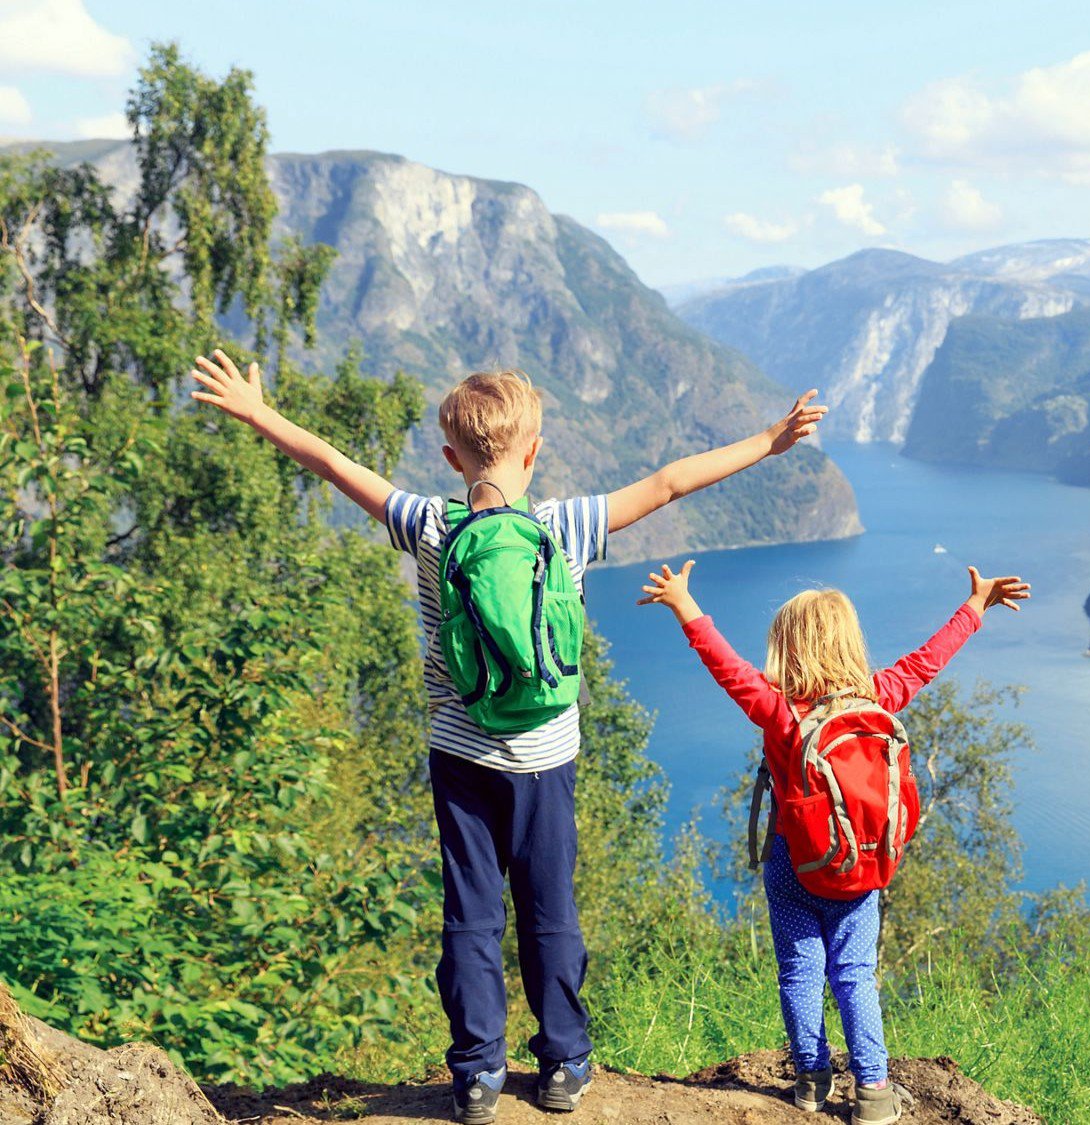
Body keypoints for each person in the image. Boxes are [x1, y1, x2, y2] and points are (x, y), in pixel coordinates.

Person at [190, 349, 826, 1122]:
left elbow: (331, 462)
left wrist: (259, 412)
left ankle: (478, 1074)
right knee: (550, 910)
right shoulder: (565, 526)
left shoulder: (429, 524)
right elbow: (669, 482)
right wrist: (770, 438)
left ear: (452, 458)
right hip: (546, 760)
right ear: (534, 451)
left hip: (460, 757)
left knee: (471, 913)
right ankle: (561, 1063)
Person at [636, 558, 1028, 1124]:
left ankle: (811, 1081)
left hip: (795, 864)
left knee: (799, 973)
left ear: (786, 650)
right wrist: (974, 607)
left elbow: (725, 666)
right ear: (848, 642)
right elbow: (926, 662)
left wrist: (683, 604)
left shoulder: (780, 713)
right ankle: (872, 1091)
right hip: (859, 869)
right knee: (854, 976)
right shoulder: (878, 698)